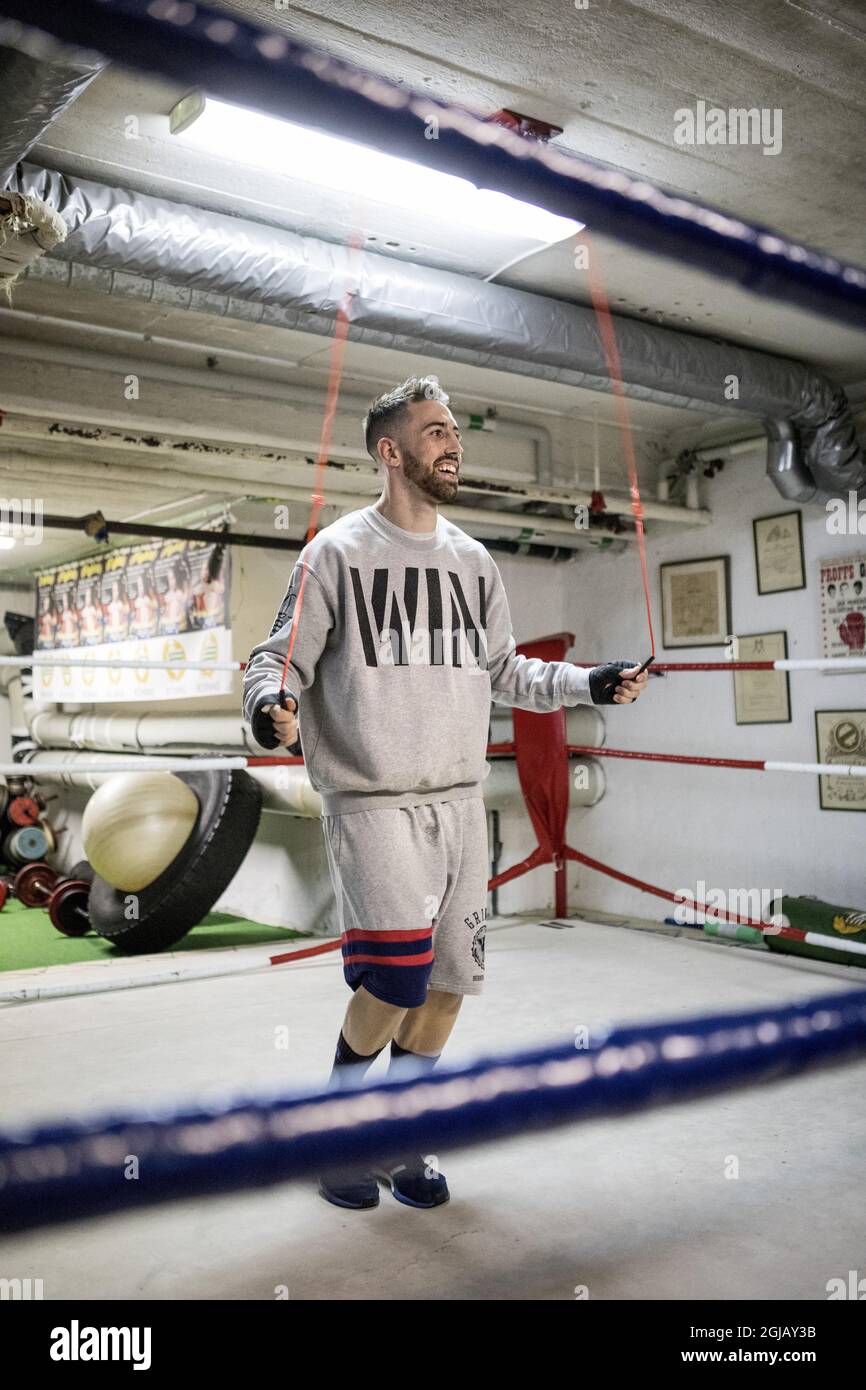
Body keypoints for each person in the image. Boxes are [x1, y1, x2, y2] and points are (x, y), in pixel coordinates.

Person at [242, 376, 648, 1211]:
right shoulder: (336, 553)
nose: (453, 443)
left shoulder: (472, 561)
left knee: (451, 982)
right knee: (394, 978)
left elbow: (507, 672)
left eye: (456, 430)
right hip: (374, 800)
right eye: (434, 432)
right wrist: (268, 708)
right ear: (390, 452)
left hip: (460, 803)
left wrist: (590, 683)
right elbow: (275, 657)